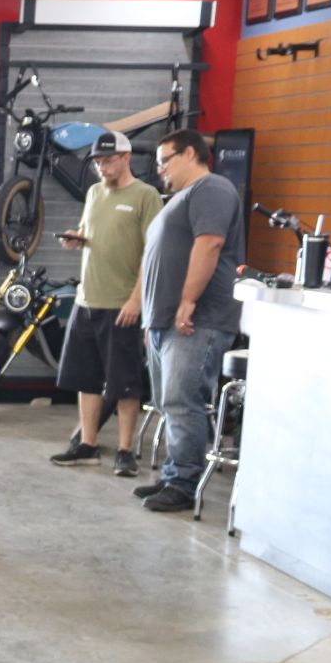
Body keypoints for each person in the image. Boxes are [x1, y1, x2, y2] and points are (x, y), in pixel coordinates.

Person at [134, 128, 244, 512]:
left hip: (198, 317)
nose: (160, 168)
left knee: (183, 402)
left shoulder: (211, 189)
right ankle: (172, 474)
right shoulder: (180, 197)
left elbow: (209, 243)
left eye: (166, 159)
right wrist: (152, 320)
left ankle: (183, 483)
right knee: (170, 403)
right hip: (166, 322)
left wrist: (187, 300)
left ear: (192, 154)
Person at [48, 130, 163, 476]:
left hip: (121, 304)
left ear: (126, 158)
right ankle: (88, 444)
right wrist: (77, 240)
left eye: (107, 160)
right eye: (97, 161)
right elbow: (90, 233)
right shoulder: (94, 193)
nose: (101, 167)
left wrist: (136, 300)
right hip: (88, 299)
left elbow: (152, 253)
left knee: (125, 383)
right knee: (87, 379)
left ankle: (126, 451)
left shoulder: (146, 196)